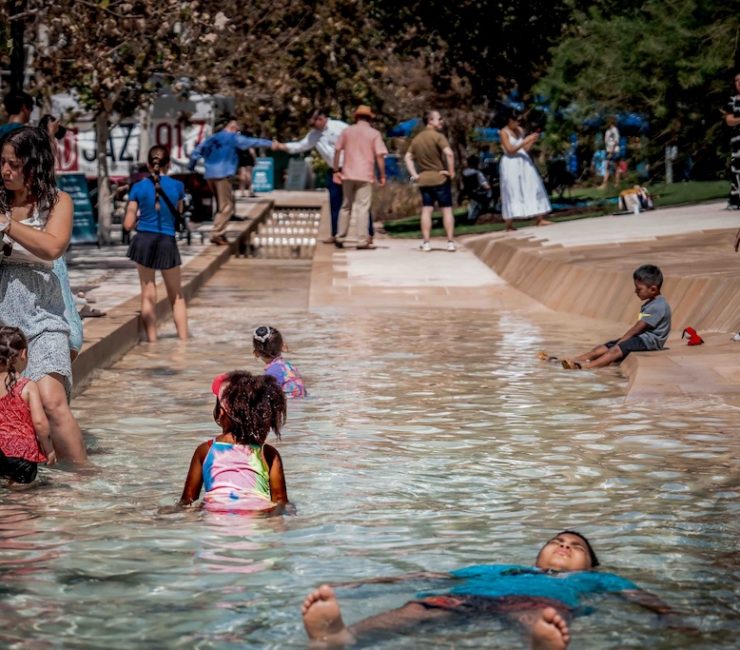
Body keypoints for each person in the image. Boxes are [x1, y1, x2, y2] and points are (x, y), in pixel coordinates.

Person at [301, 530, 680, 649]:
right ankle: (340, 637)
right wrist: (358, 585)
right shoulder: (501, 568)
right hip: (472, 594)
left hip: (539, 602)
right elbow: (431, 577)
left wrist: (670, 615)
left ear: (591, 565)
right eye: (557, 541)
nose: (564, 546)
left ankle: (540, 643)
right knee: (416, 610)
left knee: (538, 619)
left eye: (576, 547)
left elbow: (637, 597)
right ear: (538, 553)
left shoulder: (597, 579)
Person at [0, 126, 87, 462]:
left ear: (34, 165)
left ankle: (83, 481)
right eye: (2, 162)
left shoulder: (56, 202)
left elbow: (52, 247)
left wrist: (8, 224)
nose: (6, 171)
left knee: (51, 402)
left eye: (14, 164)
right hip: (4, 315)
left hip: (44, 313)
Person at [179, 370, 288, 512]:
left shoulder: (206, 450)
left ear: (222, 412)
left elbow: (187, 500)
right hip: (256, 519)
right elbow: (281, 502)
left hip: (216, 517)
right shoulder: (267, 454)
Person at [273, 109, 375, 246]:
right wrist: (282, 146)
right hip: (334, 170)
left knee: (361, 202)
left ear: (321, 118)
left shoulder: (340, 127)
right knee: (335, 203)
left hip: (351, 168)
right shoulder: (314, 135)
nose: (313, 126)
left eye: (314, 123)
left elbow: (356, 140)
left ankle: (368, 233)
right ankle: (336, 234)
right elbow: (300, 146)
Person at [123, 145, 189, 342]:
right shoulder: (178, 186)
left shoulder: (138, 187)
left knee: (148, 294)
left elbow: (127, 224)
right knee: (176, 296)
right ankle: (184, 342)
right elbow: (179, 212)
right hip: (167, 242)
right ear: (169, 164)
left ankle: (152, 342)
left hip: (143, 241)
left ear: (147, 164)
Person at [559, 264, 671, 369]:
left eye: (639, 289)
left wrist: (620, 343)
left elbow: (637, 328)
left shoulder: (657, 306)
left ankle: (584, 367)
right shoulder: (651, 303)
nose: (635, 291)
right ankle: (572, 361)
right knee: (600, 349)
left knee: (615, 350)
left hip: (649, 342)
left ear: (653, 289)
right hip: (642, 338)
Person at [187, 119, 271, 245]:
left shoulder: (212, 138)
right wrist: (271, 144)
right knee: (227, 206)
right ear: (233, 128)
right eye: (237, 130)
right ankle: (217, 234)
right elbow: (252, 142)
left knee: (221, 205)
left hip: (210, 175)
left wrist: (191, 167)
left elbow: (195, 152)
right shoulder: (233, 137)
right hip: (223, 174)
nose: (238, 133)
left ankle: (219, 233)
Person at [0, 326, 56, 484]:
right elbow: (40, 422)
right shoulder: (27, 386)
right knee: (22, 496)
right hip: (22, 454)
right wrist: (49, 449)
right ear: (23, 354)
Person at [332, 105, 387, 250]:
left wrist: (336, 170)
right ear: (370, 118)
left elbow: (337, 150)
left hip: (348, 173)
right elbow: (380, 155)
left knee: (345, 206)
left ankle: (340, 236)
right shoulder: (374, 134)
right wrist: (382, 175)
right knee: (363, 208)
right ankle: (362, 240)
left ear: (356, 117)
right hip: (365, 175)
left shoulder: (347, 131)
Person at [404, 110, 457, 251]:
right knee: (446, 210)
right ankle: (450, 242)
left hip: (424, 180)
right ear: (430, 121)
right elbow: (449, 154)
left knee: (427, 210)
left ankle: (426, 242)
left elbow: (408, 157)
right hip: (440, 178)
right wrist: (451, 172)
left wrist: (414, 174)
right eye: (438, 119)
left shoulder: (417, 139)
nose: (441, 121)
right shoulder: (438, 137)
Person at [498, 109, 552, 231]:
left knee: (532, 185)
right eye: (516, 121)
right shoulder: (503, 132)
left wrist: (531, 141)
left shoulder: (520, 130)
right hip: (510, 162)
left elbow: (524, 149)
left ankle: (539, 217)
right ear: (510, 120)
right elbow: (510, 150)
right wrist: (524, 141)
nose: (518, 123)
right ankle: (509, 223)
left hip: (523, 160)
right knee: (512, 188)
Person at [252, 325, 306, 398]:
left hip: (290, 407)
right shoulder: (289, 367)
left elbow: (265, 399)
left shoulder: (272, 373)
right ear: (283, 346)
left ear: (256, 353)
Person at [723, 71, 740, 210]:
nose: (738, 83)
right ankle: (736, 200)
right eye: (736, 80)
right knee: (737, 170)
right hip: (737, 142)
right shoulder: (732, 101)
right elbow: (729, 120)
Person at [460, 154, 492, 223]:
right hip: (479, 193)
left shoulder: (464, 173)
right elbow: (485, 185)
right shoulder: (478, 173)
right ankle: (486, 209)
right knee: (491, 191)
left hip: (469, 192)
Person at [600, 117, 621, 189]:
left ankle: (615, 184)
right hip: (609, 150)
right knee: (608, 167)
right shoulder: (608, 130)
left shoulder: (614, 130)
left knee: (614, 167)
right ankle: (607, 184)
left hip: (614, 151)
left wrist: (611, 151)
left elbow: (616, 140)